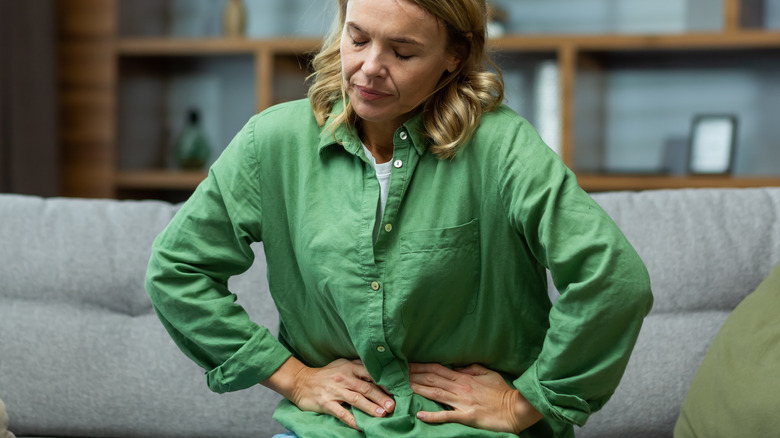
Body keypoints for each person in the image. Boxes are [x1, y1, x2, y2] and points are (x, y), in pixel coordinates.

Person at [145, 0, 653, 436]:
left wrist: (525, 403)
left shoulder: (501, 148)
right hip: (332, 431)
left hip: (467, 433)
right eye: (357, 38)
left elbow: (613, 280)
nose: (368, 68)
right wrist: (292, 377)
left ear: (454, 56)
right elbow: (177, 271)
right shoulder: (271, 144)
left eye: (403, 52)